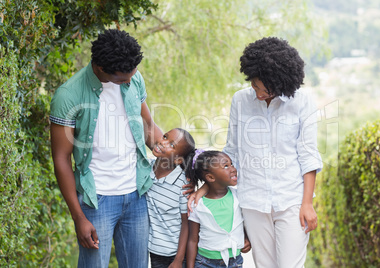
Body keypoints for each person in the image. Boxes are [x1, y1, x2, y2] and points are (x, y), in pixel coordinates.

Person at [190, 37, 323, 267]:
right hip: (252, 201)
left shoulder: (302, 103)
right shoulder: (241, 100)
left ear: (280, 83)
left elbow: (308, 155)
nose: (259, 93)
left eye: (265, 89)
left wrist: (307, 203)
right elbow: (232, 152)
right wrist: (204, 188)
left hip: (291, 200)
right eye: (255, 85)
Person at [50, 29, 163, 267]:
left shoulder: (134, 78)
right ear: (100, 68)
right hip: (96, 200)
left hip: (136, 194)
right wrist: (78, 217)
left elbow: (148, 126)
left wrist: (176, 155)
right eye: (123, 78)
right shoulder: (68, 96)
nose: (130, 81)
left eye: (132, 75)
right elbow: (61, 159)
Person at [186, 150, 251, 268]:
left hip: (234, 261)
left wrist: (246, 237)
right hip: (204, 262)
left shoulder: (238, 196)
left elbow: (243, 221)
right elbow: (192, 240)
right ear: (210, 177)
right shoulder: (197, 204)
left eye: (231, 164)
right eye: (226, 166)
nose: (233, 168)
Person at [146, 128, 196, 268]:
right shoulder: (146, 169)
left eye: (172, 145)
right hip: (155, 251)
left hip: (175, 253)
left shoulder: (182, 185)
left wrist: (179, 260)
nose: (163, 142)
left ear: (179, 159)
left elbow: (186, 224)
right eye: (165, 136)